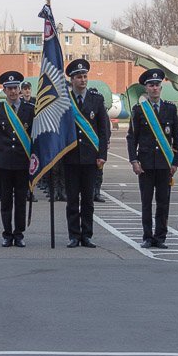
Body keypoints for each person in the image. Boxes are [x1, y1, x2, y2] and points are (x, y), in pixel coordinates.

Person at [127, 68, 178, 248]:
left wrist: (175, 162)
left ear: (161, 87)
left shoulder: (170, 109)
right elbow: (132, 137)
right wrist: (134, 160)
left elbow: (176, 137)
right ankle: (147, 236)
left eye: (157, 85)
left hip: (165, 164)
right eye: (151, 85)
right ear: (146, 88)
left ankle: (160, 237)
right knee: (146, 203)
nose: (154, 88)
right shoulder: (139, 110)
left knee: (163, 203)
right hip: (146, 164)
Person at [62, 59, 110, 247]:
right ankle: (74, 235)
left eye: (85, 76)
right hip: (71, 157)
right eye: (79, 77)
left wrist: (102, 155)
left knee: (88, 200)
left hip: (91, 158)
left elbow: (103, 130)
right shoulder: (66, 101)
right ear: (72, 80)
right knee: (73, 199)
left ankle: (87, 234)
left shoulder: (96, 100)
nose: (83, 80)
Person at [0, 70, 35, 247]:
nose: (13, 91)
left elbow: (35, 136)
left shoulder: (30, 110)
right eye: (9, 88)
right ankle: (7, 234)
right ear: (4, 91)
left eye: (16, 88)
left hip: (23, 162)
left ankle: (19, 234)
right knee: (6, 200)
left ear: (20, 89)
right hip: (4, 162)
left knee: (21, 200)